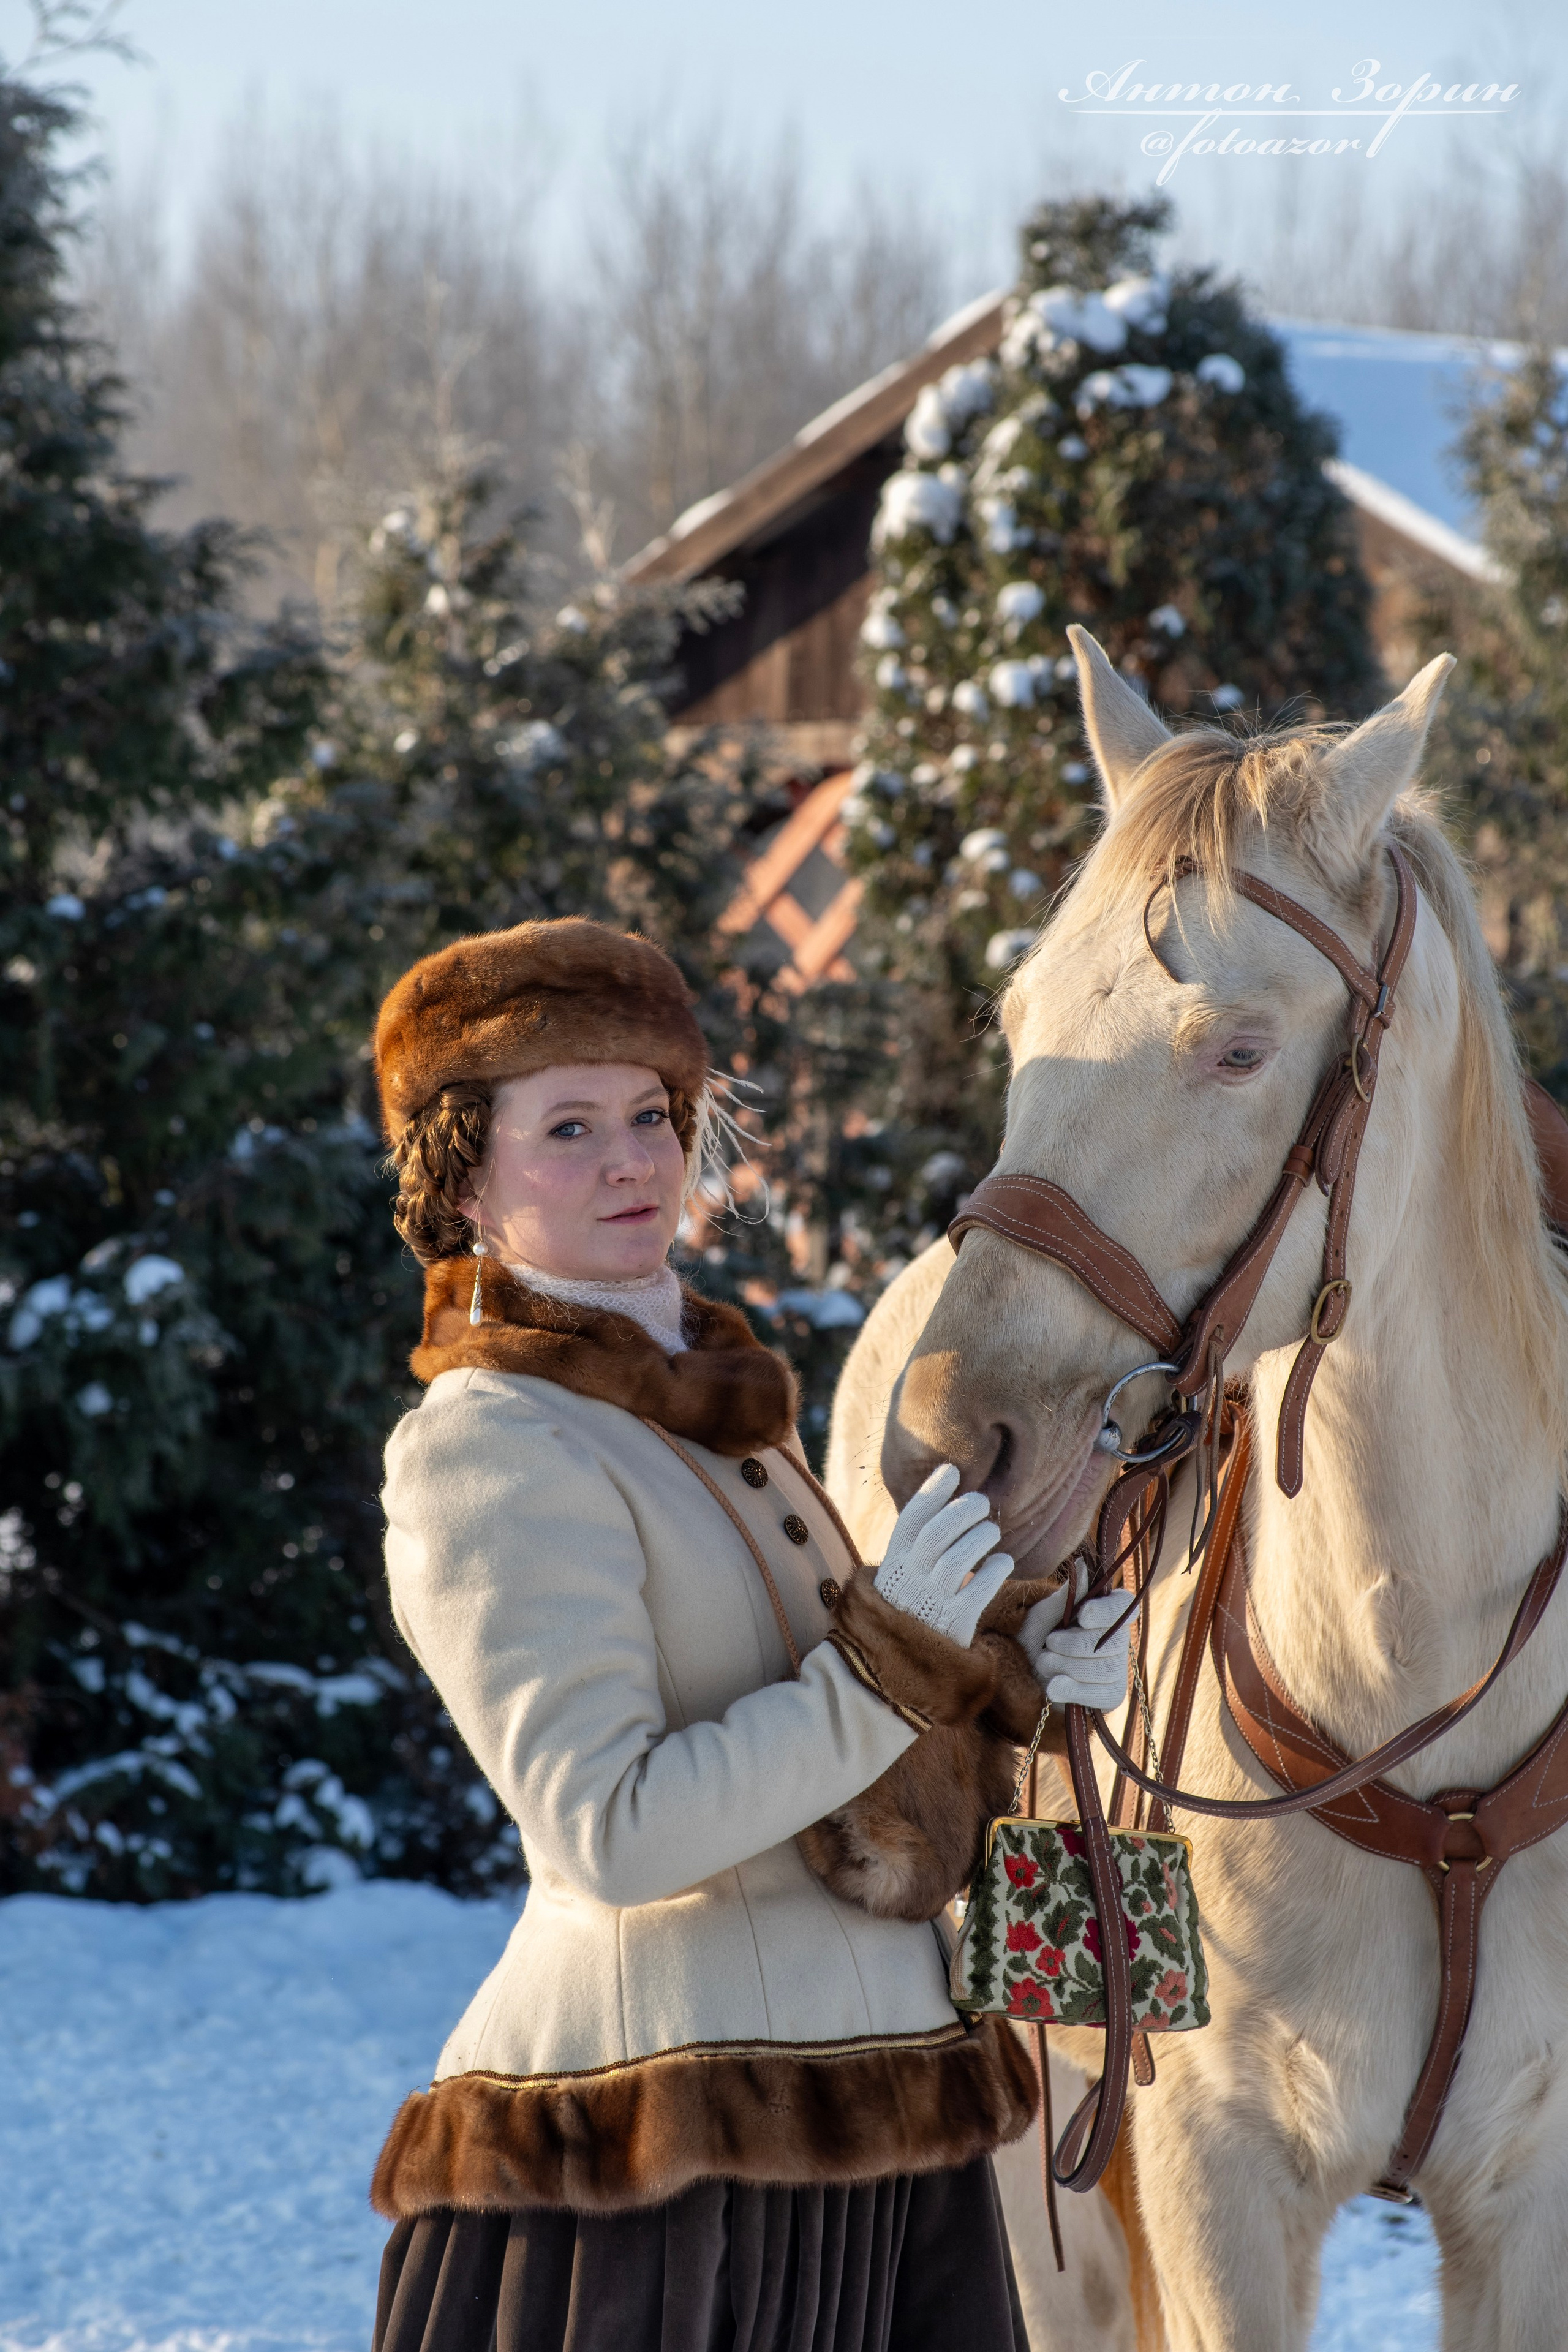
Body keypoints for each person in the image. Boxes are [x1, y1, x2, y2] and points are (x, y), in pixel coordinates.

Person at [366, 916, 1130, 2352]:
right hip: (652, 2174)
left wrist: (1003, 1679)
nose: (633, 1160)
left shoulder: (722, 1420)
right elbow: (613, 1827)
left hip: (887, 2141)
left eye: (652, 1115)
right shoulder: (491, 1445)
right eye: (570, 1126)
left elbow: (825, 1754)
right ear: (462, 1175)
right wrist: (899, 1648)